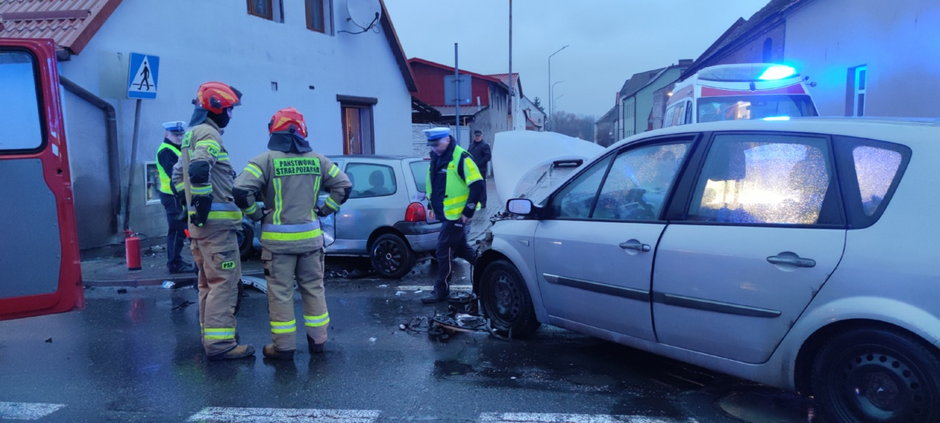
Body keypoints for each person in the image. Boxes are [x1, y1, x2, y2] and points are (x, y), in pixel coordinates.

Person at [233, 107, 351, 360]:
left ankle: (284, 348)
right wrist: (325, 209)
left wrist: (256, 214)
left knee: (280, 294)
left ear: (273, 131)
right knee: (314, 289)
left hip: (278, 245)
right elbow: (344, 185)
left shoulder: (263, 161)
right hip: (310, 240)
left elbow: (241, 191)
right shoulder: (318, 160)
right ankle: (318, 342)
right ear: (302, 131)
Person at [171, 81, 254, 361]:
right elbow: (197, 168)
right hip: (217, 228)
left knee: (207, 282)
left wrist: (190, 205)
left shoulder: (190, 135)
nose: (229, 115)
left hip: (201, 228)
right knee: (224, 283)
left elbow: (177, 176)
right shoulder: (209, 134)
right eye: (228, 109)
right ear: (215, 108)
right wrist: (203, 203)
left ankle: (210, 335)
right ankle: (221, 345)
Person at [421, 127, 485, 304]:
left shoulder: (461, 157)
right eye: (431, 145)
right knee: (463, 248)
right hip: (446, 214)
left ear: (447, 139)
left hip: (457, 215)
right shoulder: (436, 157)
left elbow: (478, 184)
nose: (434, 148)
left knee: (443, 250)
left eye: (437, 144)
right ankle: (488, 269)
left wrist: (468, 211)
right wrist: (431, 205)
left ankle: (441, 290)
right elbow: (433, 183)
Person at [155, 120, 196, 274]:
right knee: (177, 230)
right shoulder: (166, 151)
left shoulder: (177, 149)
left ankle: (176, 261)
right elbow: (175, 174)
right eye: (175, 134)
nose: (179, 137)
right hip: (172, 196)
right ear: (167, 134)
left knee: (180, 229)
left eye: (181, 134)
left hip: (176, 195)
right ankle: (174, 264)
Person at [467, 129, 491, 208]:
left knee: (482, 186)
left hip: (481, 170)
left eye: (479, 136)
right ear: (474, 136)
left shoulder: (485, 145)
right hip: (471, 170)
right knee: (473, 186)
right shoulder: (471, 145)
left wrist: (479, 164)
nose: (477, 137)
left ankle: (483, 203)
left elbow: (488, 156)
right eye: (476, 136)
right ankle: (475, 202)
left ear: (481, 136)